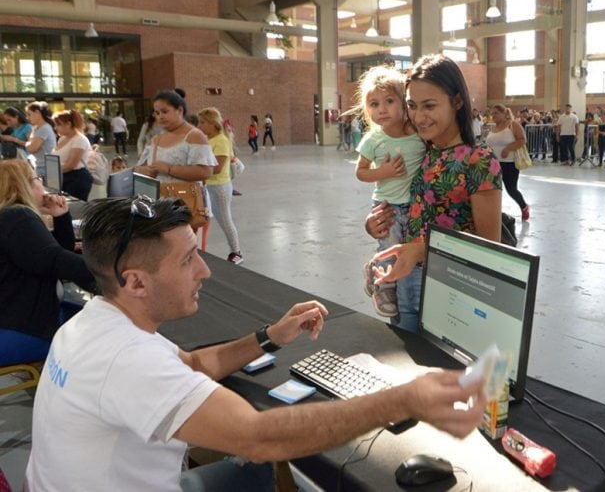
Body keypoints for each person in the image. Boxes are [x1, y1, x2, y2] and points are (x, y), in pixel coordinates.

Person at [25, 196, 485, 491]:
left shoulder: (92, 322)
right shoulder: (127, 360)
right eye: (189, 261)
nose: (205, 271)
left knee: (257, 477)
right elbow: (260, 437)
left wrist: (270, 336)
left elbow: (191, 363)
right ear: (137, 282)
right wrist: (403, 399)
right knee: (260, 462)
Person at [366, 54, 502, 332]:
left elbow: (491, 248)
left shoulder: (478, 160)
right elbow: (398, 202)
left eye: (429, 106)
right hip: (402, 283)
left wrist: (421, 251)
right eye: (412, 106)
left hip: (449, 291)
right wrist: (373, 224)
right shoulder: (422, 151)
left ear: (457, 102)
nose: (418, 117)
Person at [0, 159, 96, 367]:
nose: (41, 184)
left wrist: (60, 216)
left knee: (94, 317)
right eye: (37, 178)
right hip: (21, 327)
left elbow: (51, 253)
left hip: (13, 319)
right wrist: (109, 268)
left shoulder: (9, 216)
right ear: (23, 184)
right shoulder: (17, 217)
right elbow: (55, 260)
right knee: (103, 328)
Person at [354, 65, 426, 319]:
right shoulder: (373, 140)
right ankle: (383, 285)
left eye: (389, 101)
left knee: (403, 248)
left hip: (414, 205)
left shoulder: (418, 135)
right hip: (388, 204)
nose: (381, 109)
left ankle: (376, 269)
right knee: (391, 243)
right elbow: (361, 172)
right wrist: (382, 172)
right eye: (373, 104)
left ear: (404, 104)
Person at [134, 90, 216, 199]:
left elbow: (206, 172)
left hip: (187, 204)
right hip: (160, 203)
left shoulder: (195, 136)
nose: (160, 117)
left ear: (180, 110)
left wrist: (169, 169)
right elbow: (140, 166)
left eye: (165, 111)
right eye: (157, 113)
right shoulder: (155, 139)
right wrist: (142, 170)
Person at [198, 107, 244, 265]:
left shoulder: (222, 141)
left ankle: (236, 251)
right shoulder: (206, 139)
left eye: (203, 122)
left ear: (213, 124)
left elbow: (217, 168)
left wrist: (196, 171)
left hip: (219, 187)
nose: (200, 126)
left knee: (225, 220)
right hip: (207, 186)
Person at [485, 104, 530, 221]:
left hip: (509, 163)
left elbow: (522, 140)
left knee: (511, 189)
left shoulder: (513, 125)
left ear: (504, 113)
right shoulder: (493, 128)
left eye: (496, 113)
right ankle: (493, 212)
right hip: (493, 164)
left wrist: (508, 148)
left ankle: (524, 206)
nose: (493, 116)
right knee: (492, 189)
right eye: (492, 113)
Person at [52, 109, 94, 201]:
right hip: (63, 176)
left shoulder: (79, 139)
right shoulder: (62, 138)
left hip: (77, 178)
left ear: (68, 124)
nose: (55, 128)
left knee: (73, 208)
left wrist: (52, 170)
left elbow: (71, 165)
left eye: (58, 124)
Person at [22, 102, 58, 176]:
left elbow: (32, 149)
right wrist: (30, 143)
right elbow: (31, 147)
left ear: (37, 112)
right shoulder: (37, 128)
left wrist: (28, 143)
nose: (27, 118)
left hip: (45, 168)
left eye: (29, 114)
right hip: (41, 166)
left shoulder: (44, 128)